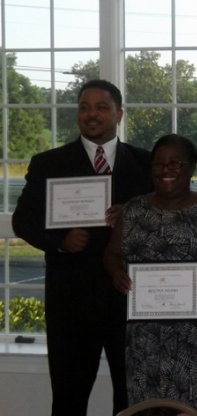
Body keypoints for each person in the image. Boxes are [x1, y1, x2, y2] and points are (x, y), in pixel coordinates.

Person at [11, 79, 152, 415]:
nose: (92, 114)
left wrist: (133, 216)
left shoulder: (147, 164)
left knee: (133, 398)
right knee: (69, 398)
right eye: (85, 107)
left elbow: (168, 220)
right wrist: (59, 241)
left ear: (118, 114)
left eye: (101, 107)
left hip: (131, 299)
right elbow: (24, 221)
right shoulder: (49, 163)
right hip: (71, 302)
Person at [104, 134, 197, 416]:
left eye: (175, 163)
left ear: (192, 167)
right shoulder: (132, 211)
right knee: (149, 405)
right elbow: (111, 254)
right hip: (147, 331)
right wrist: (116, 273)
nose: (166, 169)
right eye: (159, 164)